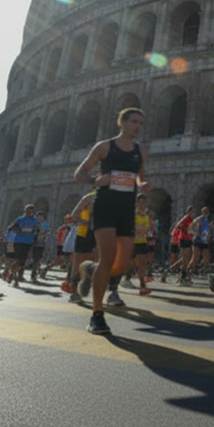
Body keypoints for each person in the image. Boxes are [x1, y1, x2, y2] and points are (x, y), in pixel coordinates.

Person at [73, 108, 149, 335]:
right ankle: (97, 315)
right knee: (107, 258)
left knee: (122, 264)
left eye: (141, 123)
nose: (138, 126)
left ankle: (90, 270)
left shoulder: (141, 151)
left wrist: (143, 184)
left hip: (127, 208)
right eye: (134, 122)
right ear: (122, 122)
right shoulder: (104, 147)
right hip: (105, 205)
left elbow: (140, 176)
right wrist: (95, 180)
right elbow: (79, 173)